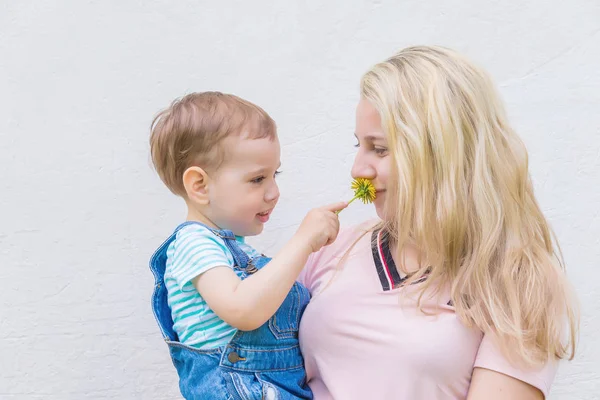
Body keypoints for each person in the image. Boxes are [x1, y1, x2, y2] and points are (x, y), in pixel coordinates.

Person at [298, 46, 578, 400]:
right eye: (359, 145)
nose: (358, 169)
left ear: (440, 152)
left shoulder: (516, 281)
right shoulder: (330, 246)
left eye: (380, 149)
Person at [148, 91, 346, 399]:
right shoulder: (193, 243)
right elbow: (243, 309)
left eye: (274, 174)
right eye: (257, 179)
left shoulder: (235, 251)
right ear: (200, 186)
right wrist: (303, 242)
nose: (273, 192)